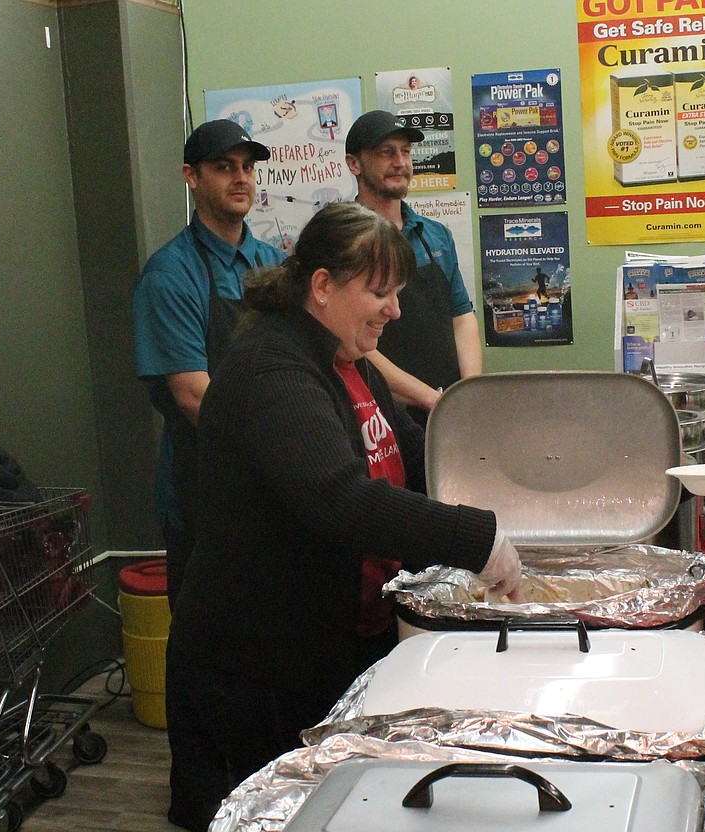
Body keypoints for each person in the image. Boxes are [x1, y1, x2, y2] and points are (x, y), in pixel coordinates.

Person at [163, 203, 521, 831]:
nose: (395, 310)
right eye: (379, 292)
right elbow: (341, 500)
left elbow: (411, 452)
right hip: (257, 661)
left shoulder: (346, 361)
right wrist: (477, 537)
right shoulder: (273, 370)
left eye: (397, 293)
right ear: (322, 286)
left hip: (332, 642)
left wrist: (507, 494)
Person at [133, 119, 284, 610]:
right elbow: (194, 397)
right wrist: (288, 438)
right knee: (213, 651)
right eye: (224, 168)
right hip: (205, 495)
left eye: (247, 167)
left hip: (272, 488)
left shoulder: (275, 265)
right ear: (191, 176)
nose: (241, 178)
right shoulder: (169, 275)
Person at [345, 110, 481, 426]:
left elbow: (462, 318)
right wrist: (431, 400)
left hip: (447, 413)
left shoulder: (436, 236)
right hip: (377, 415)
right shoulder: (342, 241)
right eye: (385, 152)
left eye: (405, 152)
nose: (400, 162)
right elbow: (352, 343)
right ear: (355, 163)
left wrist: (469, 394)